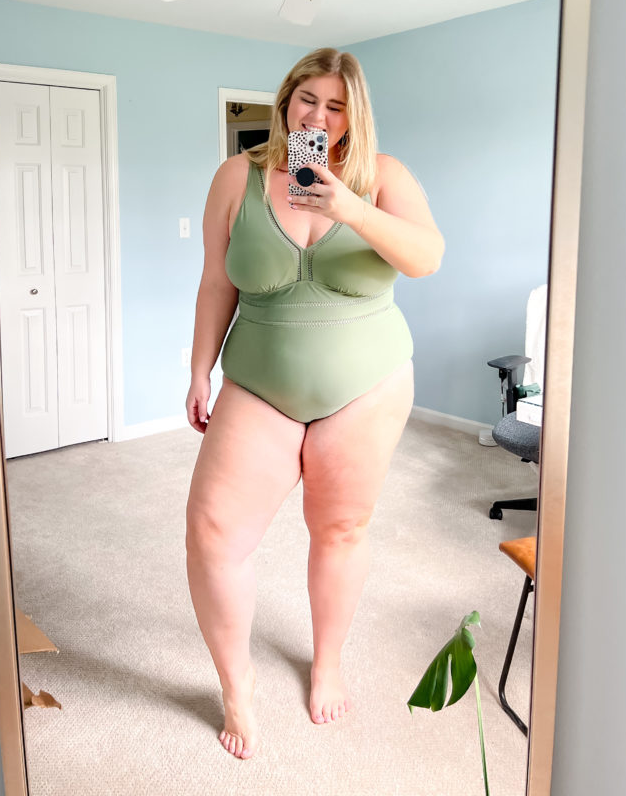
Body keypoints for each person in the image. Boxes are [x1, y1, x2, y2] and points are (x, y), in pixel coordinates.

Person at [185, 48, 444, 759]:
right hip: (258, 381)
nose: (318, 116)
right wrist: (200, 370)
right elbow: (216, 282)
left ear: (352, 113)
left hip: (365, 387)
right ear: (286, 99)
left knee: (339, 530)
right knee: (212, 532)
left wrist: (350, 207)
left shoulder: (383, 176)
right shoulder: (238, 176)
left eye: (335, 106)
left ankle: (326, 661)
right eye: (307, 100)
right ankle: (237, 688)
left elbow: (426, 257)